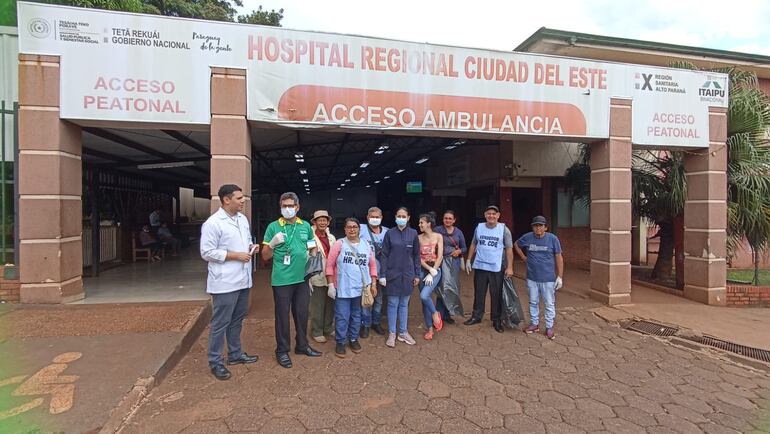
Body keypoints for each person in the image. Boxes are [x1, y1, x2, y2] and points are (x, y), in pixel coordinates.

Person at [200, 184, 259, 380]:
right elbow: (206, 252)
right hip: (224, 282)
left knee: (236, 319)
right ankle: (215, 361)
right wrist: (234, 255)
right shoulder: (213, 223)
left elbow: (244, 241)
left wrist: (251, 247)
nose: (243, 201)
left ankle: (235, 354)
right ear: (226, 200)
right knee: (220, 323)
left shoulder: (242, 219)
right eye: (239, 198)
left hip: (243, 279)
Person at [262, 192, 322, 368]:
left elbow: (312, 246)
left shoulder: (304, 226)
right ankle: (282, 350)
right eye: (284, 206)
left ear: (297, 207)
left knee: (302, 314)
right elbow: (265, 257)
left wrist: (313, 255)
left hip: (302, 278)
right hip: (282, 280)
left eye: (291, 206)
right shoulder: (273, 227)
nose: (287, 209)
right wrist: (272, 244)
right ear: (280, 207)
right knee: (282, 316)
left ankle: (302, 346)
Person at [325, 218, 378, 358]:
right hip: (343, 288)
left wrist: (373, 283)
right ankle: (341, 342)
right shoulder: (339, 244)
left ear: (359, 229)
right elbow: (329, 265)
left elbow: (372, 265)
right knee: (342, 316)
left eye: (355, 227)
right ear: (345, 229)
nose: (352, 229)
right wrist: (330, 284)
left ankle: (353, 339)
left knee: (357, 316)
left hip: (361, 289)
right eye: (349, 227)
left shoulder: (366, 245)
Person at [464, 205, 514, 333]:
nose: (491, 216)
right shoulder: (479, 227)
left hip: (496, 267)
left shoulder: (504, 230)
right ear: (485, 215)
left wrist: (510, 267)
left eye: (494, 214)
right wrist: (469, 259)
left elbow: (509, 249)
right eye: (488, 213)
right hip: (480, 266)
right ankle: (476, 316)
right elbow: (474, 243)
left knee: (496, 294)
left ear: (498, 215)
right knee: (479, 293)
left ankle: (496, 319)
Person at [514, 215, 564, 340]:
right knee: (533, 301)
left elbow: (559, 257)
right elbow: (516, 244)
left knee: (549, 303)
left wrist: (560, 276)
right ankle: (534, 324)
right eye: (535, 226)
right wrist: (523, 257)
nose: (538, 228)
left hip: (548, 278)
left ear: (545, 227)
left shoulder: (553, 239)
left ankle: (549, 327)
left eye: (540, 226)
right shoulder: (527, 237)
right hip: (532, 277)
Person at [380, 207, 420, 347]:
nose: (401, 218)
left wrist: (417, 274)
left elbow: (416, 255)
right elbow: (384, 255)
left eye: (404, 216)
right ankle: (392, 333)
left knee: (404, 304)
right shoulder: (390, 233)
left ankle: (403, 332)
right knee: (392, 304)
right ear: (395, 217)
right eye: (399, 216)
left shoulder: (413, 233)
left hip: (408, 274)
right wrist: (383, 274)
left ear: (408, 217)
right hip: (392, 274)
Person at [359, 206, 388, 337]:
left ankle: (376, 322)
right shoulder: (361, 229)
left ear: (381, 218)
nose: (375, 219)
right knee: (366, 297)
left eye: (377, 217)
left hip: (382, 273)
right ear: (367, 217)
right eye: (372, 217)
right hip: (365, 272)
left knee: (379, 299)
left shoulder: (387, 232)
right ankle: (365, 324)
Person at [434, 210, 467, 324]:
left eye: (450, 218)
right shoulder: (437, 230)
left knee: (451, 287)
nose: (447, 220)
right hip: (441, 262)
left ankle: (448, 314)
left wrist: (459, 251)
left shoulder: (458, 232)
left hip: (454, 263)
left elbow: (464, 248)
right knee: (442, 288)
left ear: (454, 220)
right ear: (443, 219)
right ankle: (438, 315)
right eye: (445, 218)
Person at [308, 210, 336, 343]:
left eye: (325, 220)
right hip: (317, 275)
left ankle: (328, 327)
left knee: (330, 303)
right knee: (317, 304)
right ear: (314, 222)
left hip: (331, 275)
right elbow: (307, 256)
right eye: (319, 220)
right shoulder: (310, 237)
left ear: (328, 222)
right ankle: (316, 330)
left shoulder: (332, 237)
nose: (322, 222)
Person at [417, 213, 444, 340]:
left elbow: (440, 256)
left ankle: (435, 314)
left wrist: (434, 270)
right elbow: (418, 258)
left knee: (424, 295)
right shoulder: (418, 238)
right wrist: (428, 270)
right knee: (424, 301)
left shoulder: (438, 236)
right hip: (423, 270)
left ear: (428, 223)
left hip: (436, 269)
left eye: (422, 222)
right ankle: (430, 329)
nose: (419, 225)